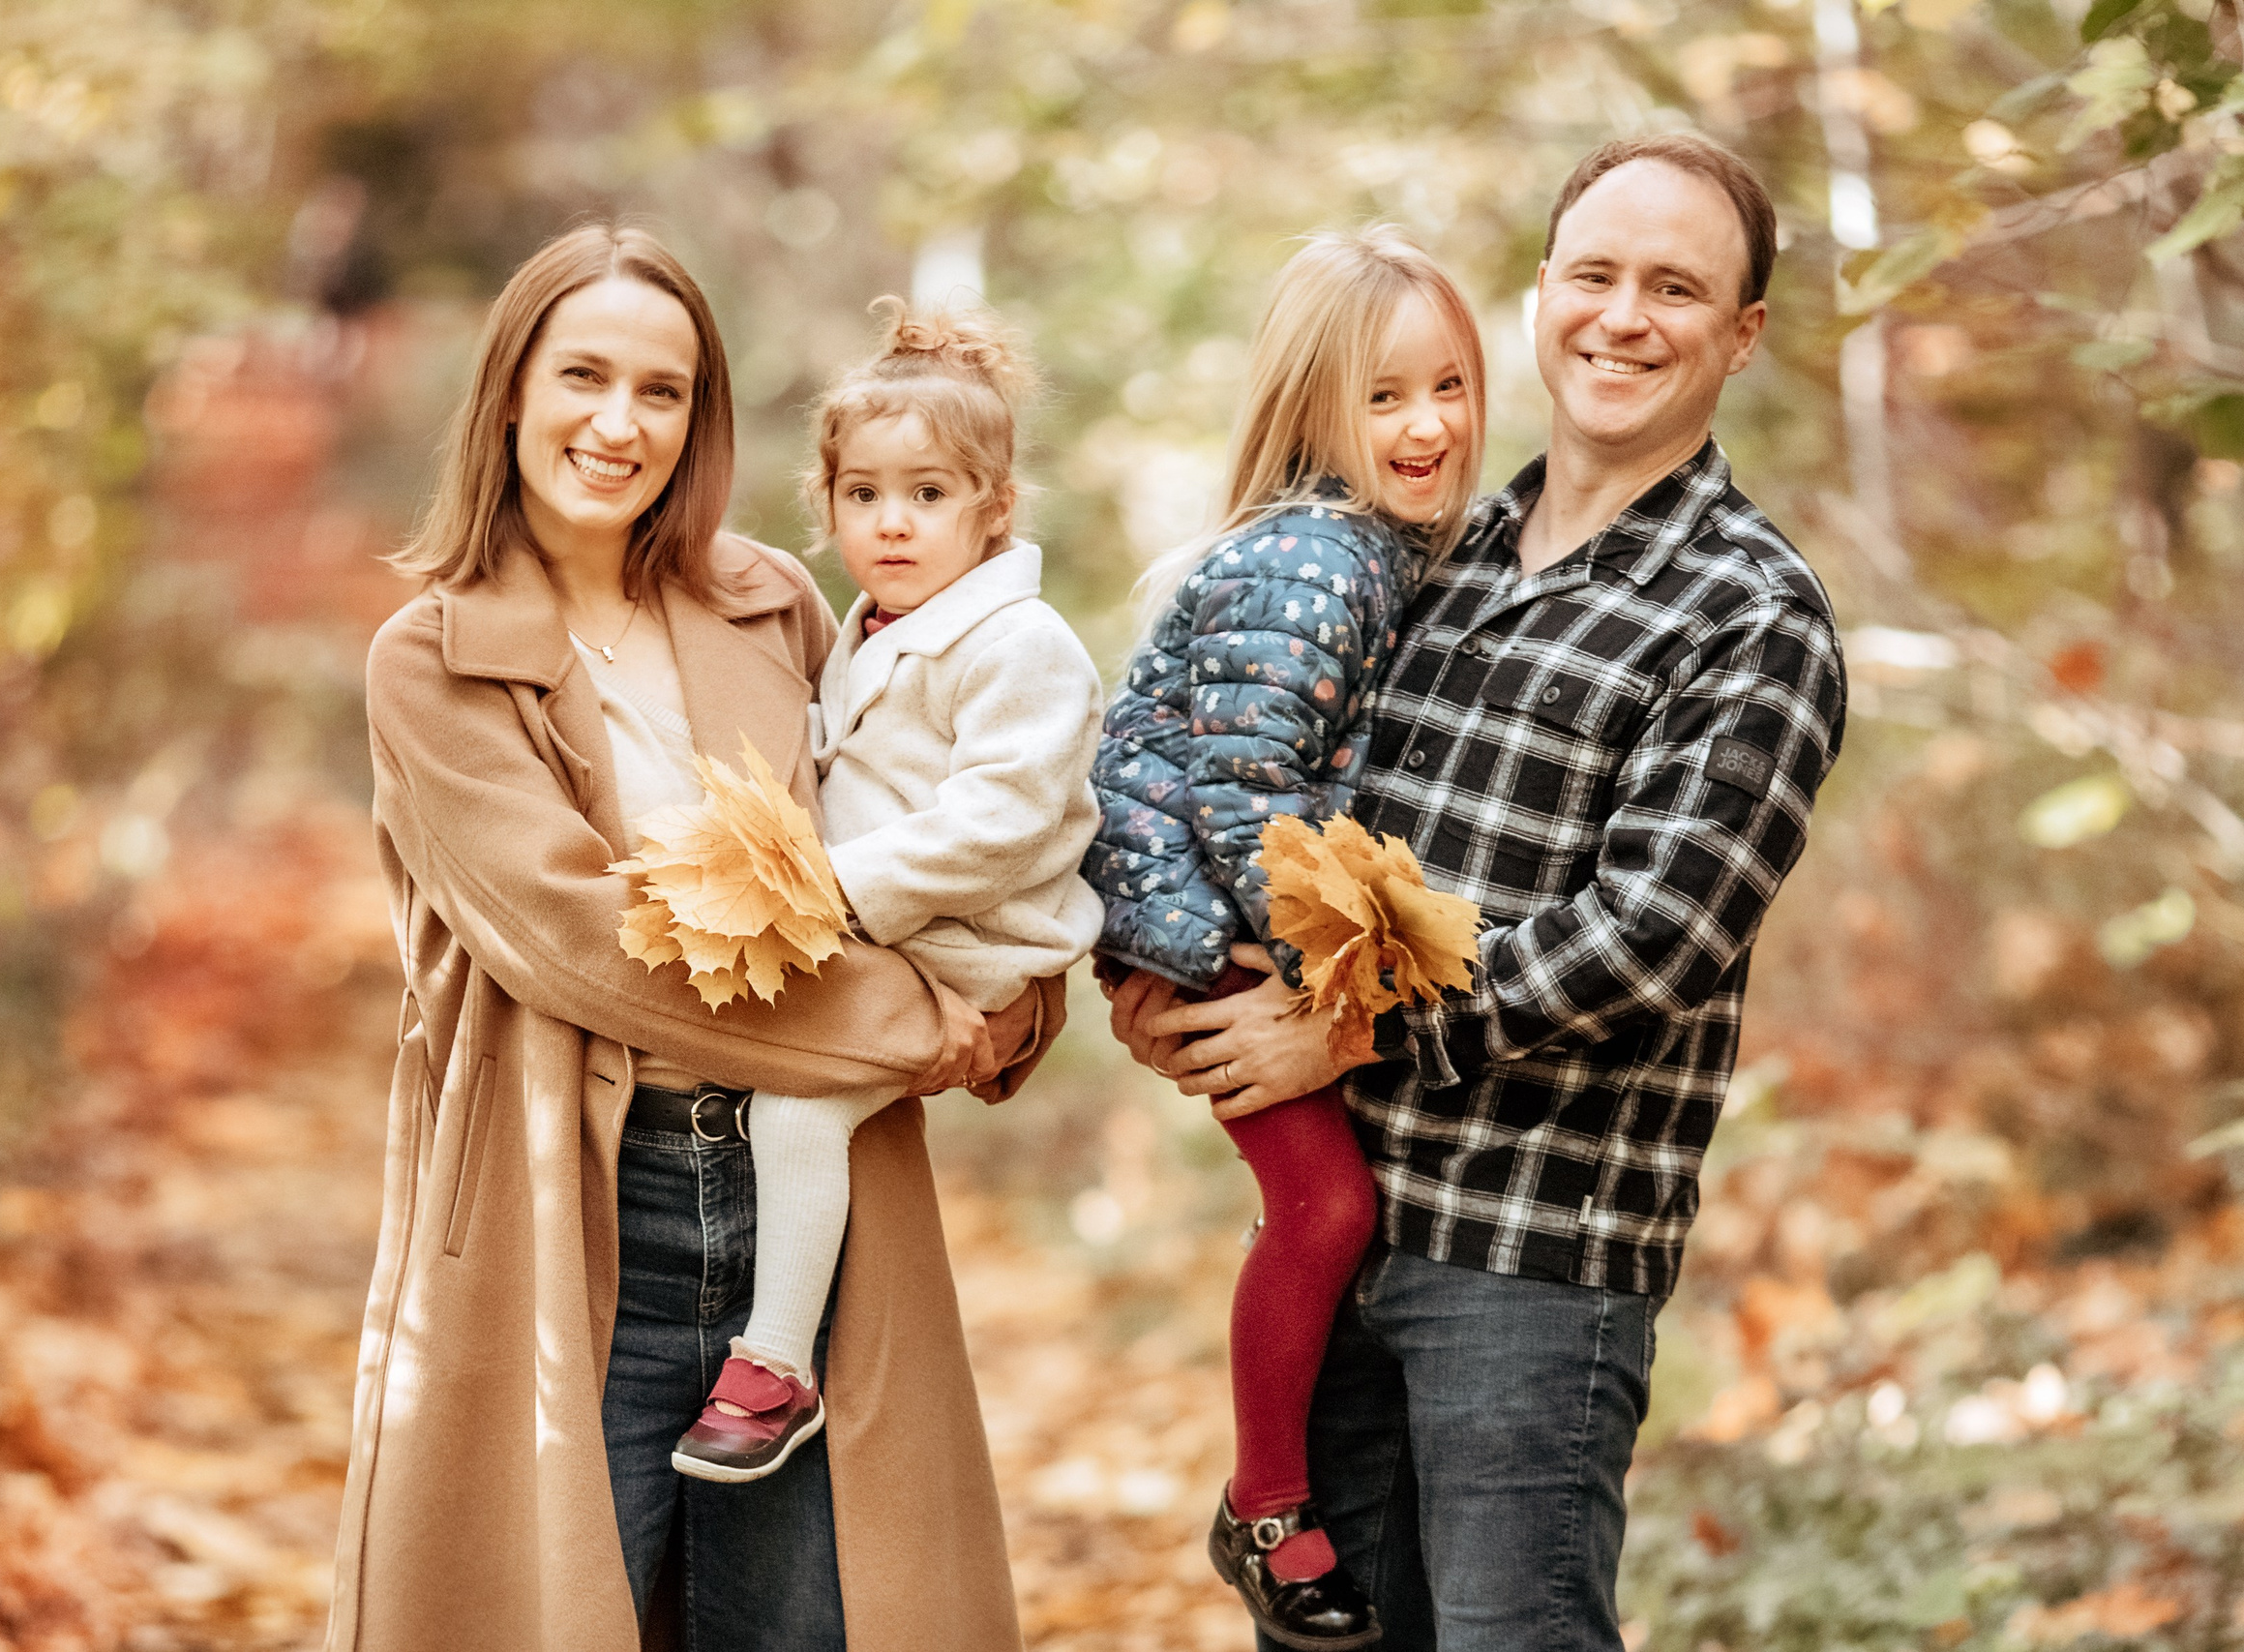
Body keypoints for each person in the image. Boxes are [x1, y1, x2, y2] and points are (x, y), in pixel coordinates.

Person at [1115, 134, 1849, 1651]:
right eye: (1595, 275)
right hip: (1344, 1233)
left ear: (1742, 333)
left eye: (1675, 287)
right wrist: (1178, 976)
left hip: (1528, 1263)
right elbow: (1269, 804)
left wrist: (1347, 1029)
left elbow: (1652, 935)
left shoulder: (1749, 613)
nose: (1623, 316)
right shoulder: (1428, 556)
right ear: (1541, 296)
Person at [328, 224, 1056, 1652]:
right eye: (583, 375)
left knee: (812, 1621)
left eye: (661, 391)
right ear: (512, 395)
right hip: (584, 1209)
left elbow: (924, 809)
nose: (620, 422)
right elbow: (582, 941)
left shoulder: (775, 600)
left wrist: (1024, 997)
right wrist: (920, 1022)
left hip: (811, 1200)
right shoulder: (433, 655)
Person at [1087, 225, 1485, 1650]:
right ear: (1318, 407)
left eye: (1450, 384)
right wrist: (1328, 973)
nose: (1429, 423)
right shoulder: (1324, 556)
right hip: (1200, 910)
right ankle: (1265, 1504)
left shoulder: (1368, 544)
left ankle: (1277, 1484)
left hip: (1190, 894)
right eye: (1385, 396)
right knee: (1327, 1210)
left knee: (1328, 1211)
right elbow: (1248, 783)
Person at [670, 300, 1104, 1483]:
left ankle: (776, 1367)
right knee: (770, 1084)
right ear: (828, 506)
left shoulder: (1021, 643)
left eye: (927, 496)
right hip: (894, 924)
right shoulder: (865, 628)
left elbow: (1001, 819)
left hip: (972, 933)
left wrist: (830, 892)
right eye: (863, 496)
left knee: (797, 1108)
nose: (892, 524)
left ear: (993, 507)